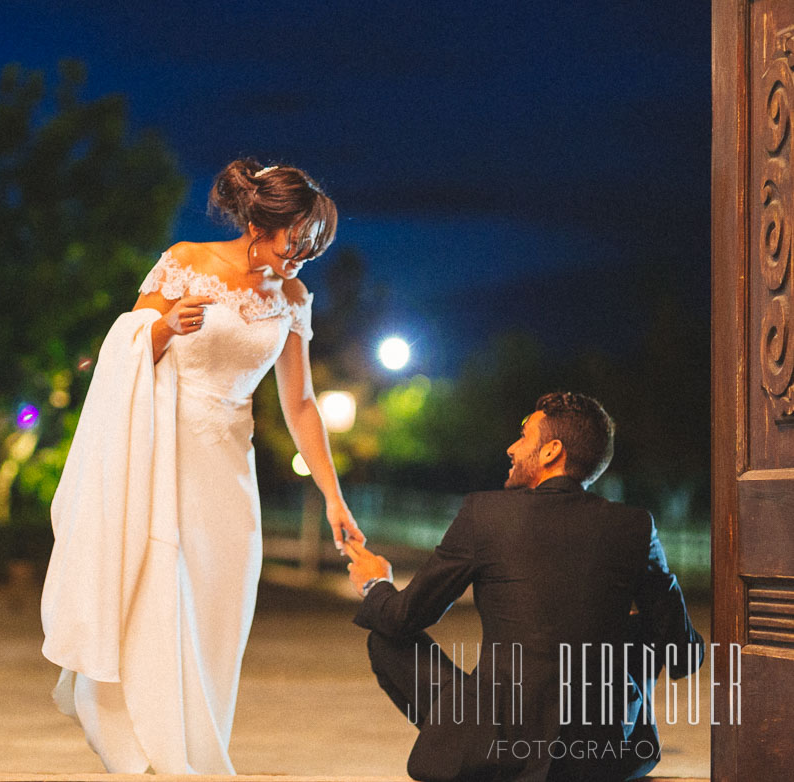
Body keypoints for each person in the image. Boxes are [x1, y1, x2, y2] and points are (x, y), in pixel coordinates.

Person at [41, 158, 364, 774]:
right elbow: (125, 352)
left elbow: (299, 403)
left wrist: (334, 499)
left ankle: (197, 743)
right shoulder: (186, 260)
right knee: (158, 588)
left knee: (221, 605)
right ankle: (145, 741)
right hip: (165, 455)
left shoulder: (294, 296)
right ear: (258, 224)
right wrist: (163, 328)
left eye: (311, 249)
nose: (298, 261)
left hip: (229, 469)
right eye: (294, 244)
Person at [346, 392, 705, 782]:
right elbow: (683, 655)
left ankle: (462, 742)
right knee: (646, 626)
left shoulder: (485, 514)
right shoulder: (635, 527)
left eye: (523, 436)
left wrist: (375, 582)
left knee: (385, 638)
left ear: (552, 451)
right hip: (598, 757)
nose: (511, 447)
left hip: (497, 748)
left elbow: (403, 617)